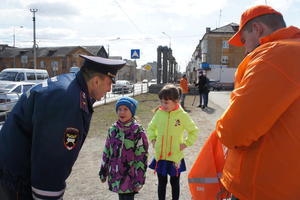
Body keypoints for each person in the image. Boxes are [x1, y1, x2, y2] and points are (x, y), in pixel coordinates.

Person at [0, 55, 126, 199]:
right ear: (96, 81)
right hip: (15, 179)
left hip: (12, 170)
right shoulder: (68, 100)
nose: (110, 89)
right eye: (109, 83)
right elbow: (51, 161)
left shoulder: (71, 86)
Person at [214, 5, 300, 200]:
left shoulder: (275, 55)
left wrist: (222, 127)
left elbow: (234, 132)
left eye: (244, 40)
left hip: (262, 188)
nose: (244, 47)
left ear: (258, 29)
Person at [147, 84, 199, 200]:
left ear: (176, 101)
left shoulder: (183, 116)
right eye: (161, 102)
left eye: (166, 102)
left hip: (175, 157)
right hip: (160, 156)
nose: (163, 105)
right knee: (161, 183)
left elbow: (194, 131)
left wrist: (186, 143)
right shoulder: (159, 113)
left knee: (174, 183)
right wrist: (153, 139)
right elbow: (151, 128)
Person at [99, 97, 148, 200]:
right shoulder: (113, 130)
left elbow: (142, 157)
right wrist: (103, 171)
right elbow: (106, 151)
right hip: (116, 175)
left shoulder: (137, 131)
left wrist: (140, 179)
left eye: (126, 109)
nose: (122, 112)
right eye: (119, 109)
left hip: (131, 177)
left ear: (132, 112)